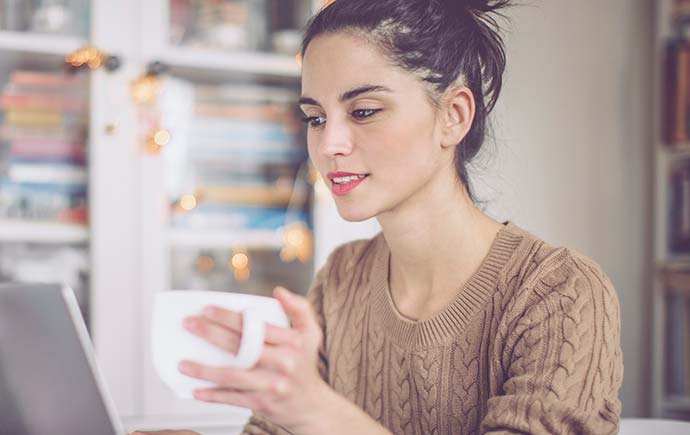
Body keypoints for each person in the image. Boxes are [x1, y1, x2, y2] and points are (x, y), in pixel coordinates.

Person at [132, 0, 624, 434]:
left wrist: (315, 411)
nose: (328, 145)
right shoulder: (343, 279)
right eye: (316, 117)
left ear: (453, 115)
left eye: (364, 111)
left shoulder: (560, 292)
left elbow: (310, 416)